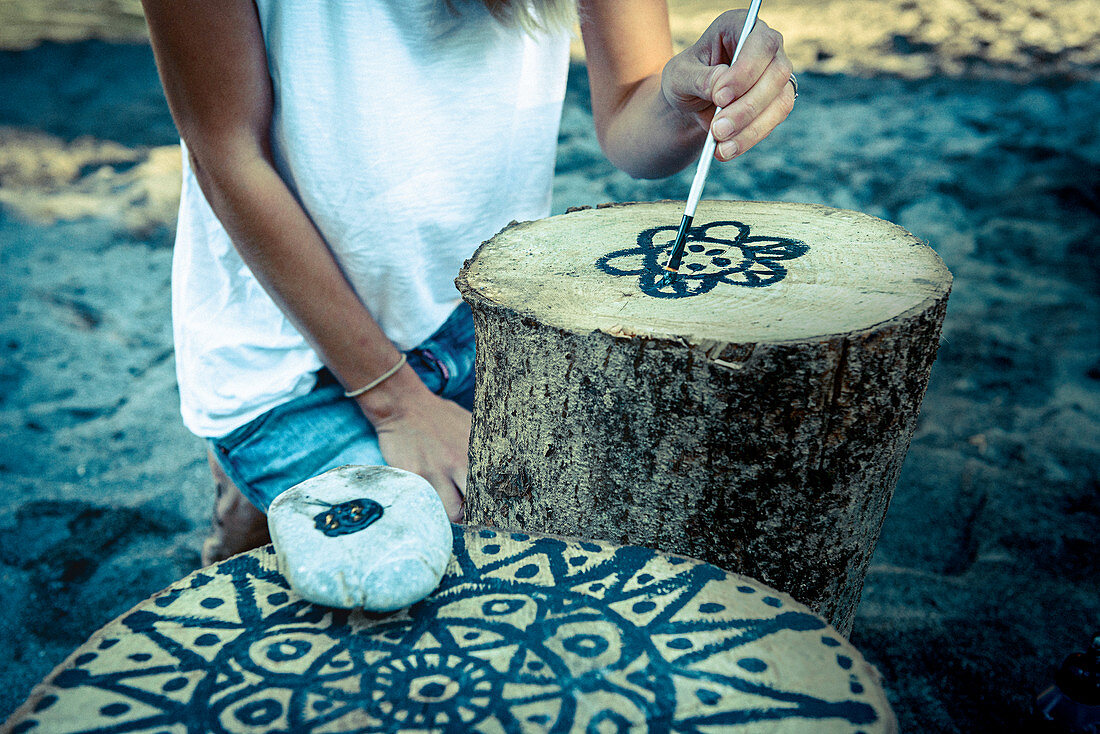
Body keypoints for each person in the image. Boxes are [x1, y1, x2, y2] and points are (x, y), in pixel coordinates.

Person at [140, 0, 796, 566]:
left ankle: (254, 508)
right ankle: (247, 499)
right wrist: (396, 404)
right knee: (431, 590)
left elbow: (630, 112)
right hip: (292, 361)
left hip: (487, 319)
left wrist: (680, 101)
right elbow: (226, 149)